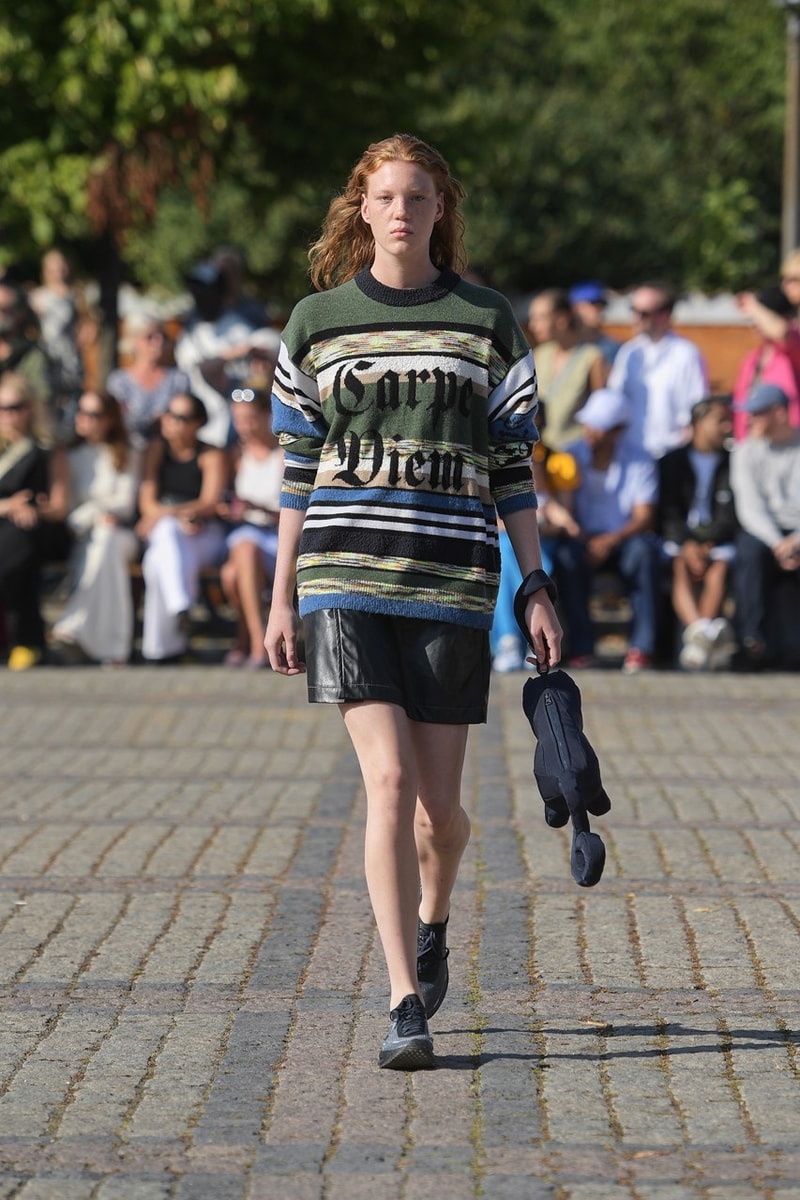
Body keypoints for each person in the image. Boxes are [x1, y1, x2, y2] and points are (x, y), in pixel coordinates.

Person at [264, 133, 561, 1071]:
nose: (401, 211)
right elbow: (296, 467)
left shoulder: (486, 319)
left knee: (441, 813)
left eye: (419, 196)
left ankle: (434, 921)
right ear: (362, 207)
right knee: (386, 783)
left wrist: (537, 585)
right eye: (386, 196)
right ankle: (403, 1001)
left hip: (452, 581)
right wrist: (280, 596)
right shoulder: (317, 322)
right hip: (341, 577)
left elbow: (512, 464)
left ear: (442, 209)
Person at [552, 388, 660, 673]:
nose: (589, 431)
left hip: (624, 540)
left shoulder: (640, 459)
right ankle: (582, 648)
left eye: (598, 426)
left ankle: (641, 648)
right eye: (588, 423)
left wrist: (611, 540)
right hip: (582, 538)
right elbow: (564, 510)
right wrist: (584, 538)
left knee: (645, 554)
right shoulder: (569, 455)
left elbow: (644, 516)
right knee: (566, 558)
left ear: (617, 431)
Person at [136, 392, 228, 662]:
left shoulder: (210, 454)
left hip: (204, 534)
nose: (171, 421)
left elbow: (209, 502)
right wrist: (177, 516)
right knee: (163, 545)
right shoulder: (156, 450)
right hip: (172, 533)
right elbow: (146, 503)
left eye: (181, 417)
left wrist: (171, 514)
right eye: (169, 413)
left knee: (157, 559)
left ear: (198, 423)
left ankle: (159, 649)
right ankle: (181, 608)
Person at [51, 391, 139, 665]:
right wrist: (96, 514)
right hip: (85, 537)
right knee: (104, 546)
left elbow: (124, 503)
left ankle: (74, 622)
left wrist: (98, 514)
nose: (83, 419)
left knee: (107, 538)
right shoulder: (70, 455)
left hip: (122, 534)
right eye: (81, 412)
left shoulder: (127, 453)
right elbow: (68, 508)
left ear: (109, 419)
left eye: (93, 414)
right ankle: (114, 649)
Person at [658, 396, 738, 671]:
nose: (728, 427)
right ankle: (705, 633)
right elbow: (667, 511)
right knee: (680, 565)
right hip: (681, 541)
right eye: (720, 420)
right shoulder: (671, 462)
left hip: (718, 541)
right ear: (698, 424)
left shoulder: (732, 462)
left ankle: (697, 641)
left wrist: (708, 543)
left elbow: (731, 513)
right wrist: (688, 543)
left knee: (719, 568)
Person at [0, 373, 71, 670]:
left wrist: (30, 508)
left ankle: (25, 641)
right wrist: (8, 506)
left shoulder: (46, 449)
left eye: (14, 407)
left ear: (29, 408)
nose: (8, 415)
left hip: (38, 530)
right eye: (2, 408)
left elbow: (60, 506)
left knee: (19, 544)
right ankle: (24, 641)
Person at [730, 384, 800, 669]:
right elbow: (750, 510)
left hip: (797, 532)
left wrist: (796, 541)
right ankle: (751, 641)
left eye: (758, 413)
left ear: (780, 413)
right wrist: (778, 544)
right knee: (749, 553)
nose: (749, 420)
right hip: (765, 533)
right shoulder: (745, 452)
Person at [174, 253, 273, 449]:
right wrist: (232, 354)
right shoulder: (189, 334)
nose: (201, 297)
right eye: (196, 291)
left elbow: (270, 343)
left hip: (242, 425)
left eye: (206, 291)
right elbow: (198, 370)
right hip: (202, 429)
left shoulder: (241, 326)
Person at [219, 387, 283, 669]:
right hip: (247, 533)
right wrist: (229, 509)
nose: (244, 426)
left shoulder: (282, 453)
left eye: (250, 419)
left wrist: (258, 508)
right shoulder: (235, 455)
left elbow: (292, 511)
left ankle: (248, 641)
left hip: (277, 535)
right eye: (239, 419)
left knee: (232, 574)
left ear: (266, 416)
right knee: (244, 550)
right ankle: (257, 640)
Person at [608, 282, 708, 460]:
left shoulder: (686, 354)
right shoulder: (628, 352)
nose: (636, 318)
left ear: (665, 315)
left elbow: (697, 407)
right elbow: (615, 399)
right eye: (634, 310)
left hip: (670, 454)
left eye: (644, 313)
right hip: (631, 454)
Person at [526, 287, 608, 450]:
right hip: (542, 451)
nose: (532, 325)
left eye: (540, 318)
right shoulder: (540, 354)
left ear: (562, 319)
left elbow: (600, 413)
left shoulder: (592, 357)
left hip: (577, 452)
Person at [106, 312, 191, 452]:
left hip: (168, 453)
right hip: (128, 452)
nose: (158, 342)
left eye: (162, 336)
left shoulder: (178, 379)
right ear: (134, 340)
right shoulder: (119, 381)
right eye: (150, 337)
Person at [28, 249, 85, 437]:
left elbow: (86, 326)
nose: (57, 273)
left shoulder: (77, 295)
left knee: (71, 407)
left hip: (70, 359)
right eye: (52, 268)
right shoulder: (37, 296)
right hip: (47, 357)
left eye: (61, 267)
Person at [731, 286, 800, 440]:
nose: (755, 324)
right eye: (752, 319)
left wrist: (754, 307)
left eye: (761, 317)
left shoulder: (794, 349)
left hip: (790, 445)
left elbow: (782, 332)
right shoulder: (751, 360)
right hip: (754, 446)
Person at [0, 283, 54, 441]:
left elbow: (42, 398)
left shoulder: (32, 354)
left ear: (19, 313)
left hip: (19, 436)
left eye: (5, 310)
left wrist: (19, 387)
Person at [568, 281, 621, 367]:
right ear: (575, 308)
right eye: (593, 304)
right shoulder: (563, 345)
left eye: (601, 304)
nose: (599, 309)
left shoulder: (613, 347)